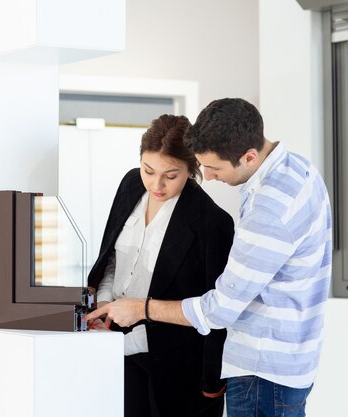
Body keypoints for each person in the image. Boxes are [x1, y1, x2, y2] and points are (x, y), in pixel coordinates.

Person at [86, 98, 333, 417]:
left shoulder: (264, 211)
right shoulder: (296, 169)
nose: (210, 177)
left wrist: (140, 309)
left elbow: (219, 310)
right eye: (148, 171)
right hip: (285, 363)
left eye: (214, 168)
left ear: (249, 156)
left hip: (261, 368)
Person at [87, 114, 235, 417]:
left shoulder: (213, 223)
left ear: (193, 168)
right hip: (114, 339)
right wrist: (104, 306)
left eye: (171, 175)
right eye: (148, 170)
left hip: (173, 364)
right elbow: (111, 257)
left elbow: (210, 314)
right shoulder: (130, 184)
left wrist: (120, 341)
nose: (157, 184)